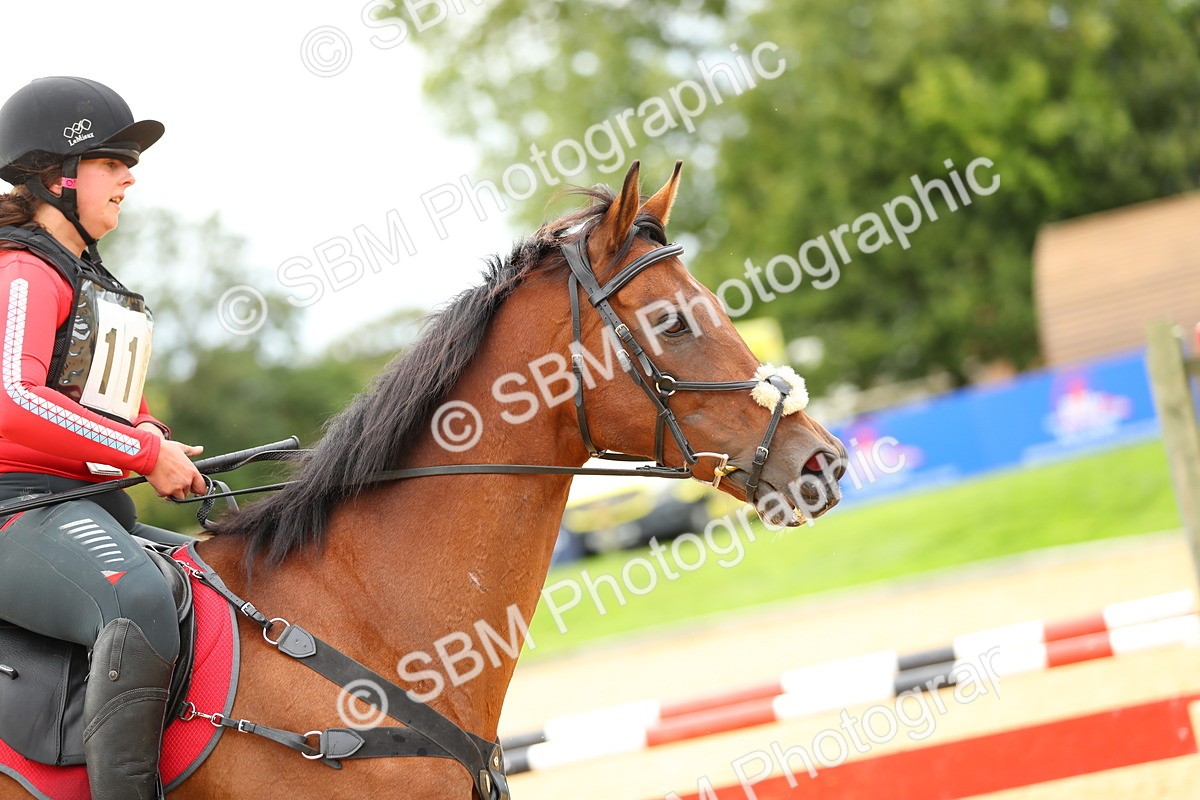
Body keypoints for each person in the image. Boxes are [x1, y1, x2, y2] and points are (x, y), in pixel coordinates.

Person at [0, 77, 205, 800]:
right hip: (15, 513)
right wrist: (146, 455)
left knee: (215, 578)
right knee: (136, 599)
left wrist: (149, 430)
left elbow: (111, 399)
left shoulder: (85, 275)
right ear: (56, 176)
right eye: (112, 162)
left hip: (78, 507)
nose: (129, 177)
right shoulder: (22, 269)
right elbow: (13, 398)